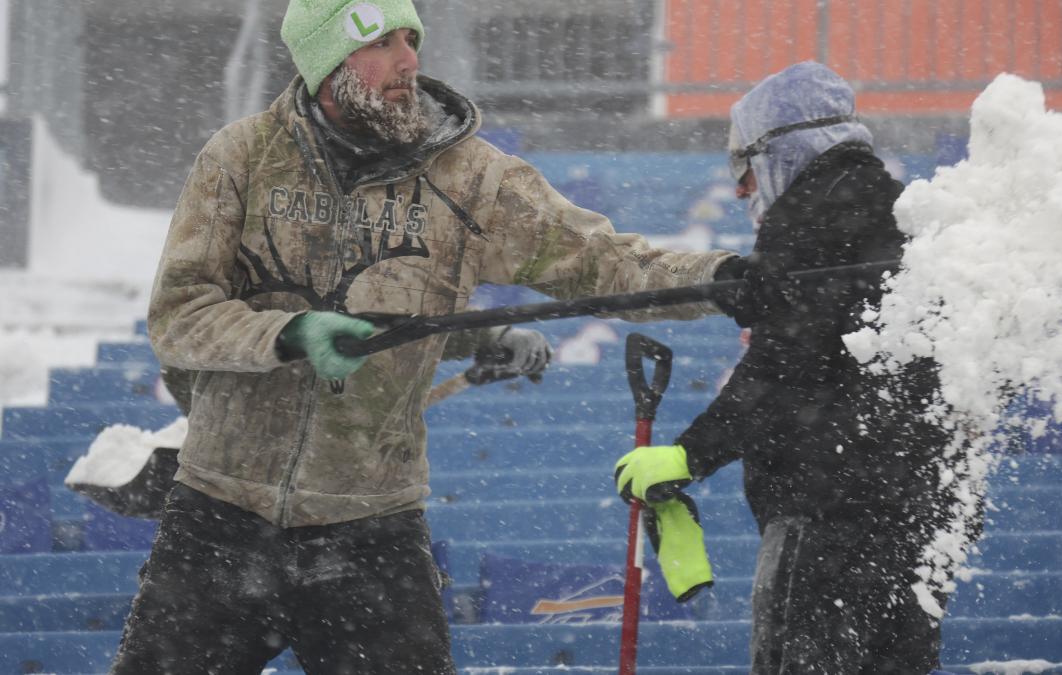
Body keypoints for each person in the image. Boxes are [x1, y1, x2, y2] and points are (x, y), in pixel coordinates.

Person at [117, 1, 736, 672]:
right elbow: (179, 316)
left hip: (371, 523)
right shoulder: (242, 157)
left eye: (411, 39)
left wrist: (722, 279)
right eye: (382, 42)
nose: (409, 60)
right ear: (328, 62)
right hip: (219, 513)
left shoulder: (471, 180)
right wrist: (289, 332)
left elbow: (610, 263)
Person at [613, 62, 959, 674]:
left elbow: (786, 367)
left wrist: (690, 455)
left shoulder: (807, 217)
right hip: (912, 519)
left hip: (827, 515)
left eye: (743, 166)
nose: (743, 189)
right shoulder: (898, 212)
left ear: (780, 149)